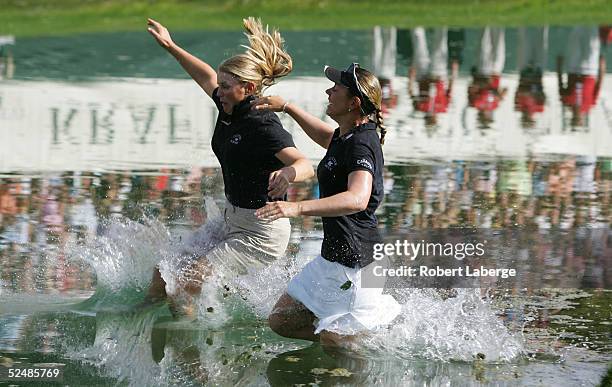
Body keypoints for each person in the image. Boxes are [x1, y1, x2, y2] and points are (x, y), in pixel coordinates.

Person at [144, 18, 314, 313]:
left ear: (246, 88)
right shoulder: (230, 106)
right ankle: (140, 318)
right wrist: (171, 47)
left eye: (225, 86)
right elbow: (205, 76)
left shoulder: (262, 122)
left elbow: (305, 164)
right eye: (220, 86)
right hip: (232, 219)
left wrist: (289, 172)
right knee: (164, 272)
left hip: (261, 231)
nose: (218, 91)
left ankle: (189, 346)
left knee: (187, 282)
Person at [252, 63, 401, 346]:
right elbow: (325, 137)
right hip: (333, 258)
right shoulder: (346, 135)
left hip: (358, 265)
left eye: (337, 88)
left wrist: (296, 208)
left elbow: (358, 198)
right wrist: (287, 107)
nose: (328, 90)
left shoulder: (362, 143)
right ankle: (351, 335)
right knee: (281, 320)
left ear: (354, 103)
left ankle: (371, 332)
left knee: (334, 340)